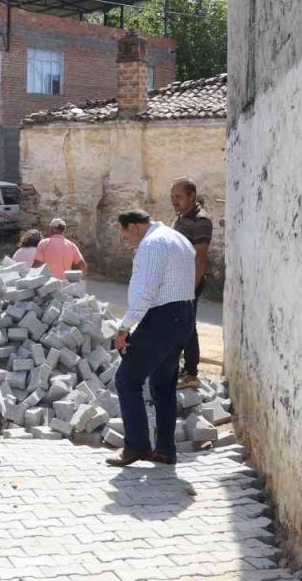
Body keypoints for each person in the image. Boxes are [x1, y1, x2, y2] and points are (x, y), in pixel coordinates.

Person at [106, 210, 196, 468]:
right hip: (184, 316)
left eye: (125, 236)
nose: (127, 242)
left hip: (161, 318)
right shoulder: (177, 238)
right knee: (162, 385)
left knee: (127, 379)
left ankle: (136, 446)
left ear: (134, 227)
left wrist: (124, 328)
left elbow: (146, 292)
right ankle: (166, 450)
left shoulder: (152, 244)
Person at [170, 179, 214, 391]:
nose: (174, 201)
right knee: (177, 323)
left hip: (189, 282)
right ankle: (180, 368)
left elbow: (200, 258)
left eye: (178, 196)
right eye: (172, 197)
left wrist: (190, 289)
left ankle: (191, 373)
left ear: (192, 196)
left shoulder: (201, 221)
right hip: (177, 281)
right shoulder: (181, 218)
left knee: (187, 325)